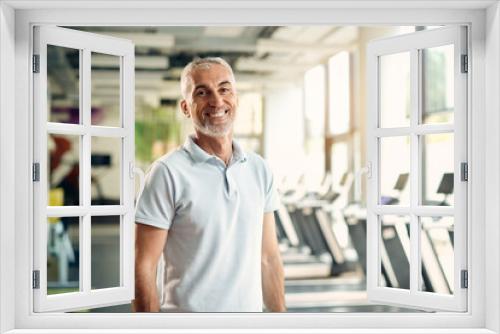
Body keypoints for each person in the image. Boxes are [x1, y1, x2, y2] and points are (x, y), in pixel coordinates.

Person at [133, 57, 286, 312]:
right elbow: (144, 267)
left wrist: (281, 321)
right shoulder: (166, 173)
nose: (217, 101)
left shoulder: (259, 169)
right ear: (185, 107)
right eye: (202, 93)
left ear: (236, 98)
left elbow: (268, 259)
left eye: (224, 89)